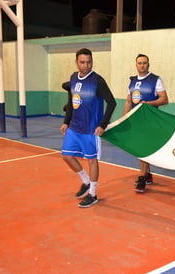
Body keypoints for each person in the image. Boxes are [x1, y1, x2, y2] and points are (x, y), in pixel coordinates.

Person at [60, 48, 116, 208]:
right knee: (66, 156)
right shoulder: (73, 78)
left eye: (89, 62)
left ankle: (93, 194)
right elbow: (71, 101)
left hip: (90, 130)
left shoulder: (97, 81)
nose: (86, 65)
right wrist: (66, 121)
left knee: (92, 161)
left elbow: (112, 103)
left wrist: (102, 125)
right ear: (76, 62)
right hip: (74, 128)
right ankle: (85, 181)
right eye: (82, 62)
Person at [122, 54, 169, 193]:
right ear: (136, 65)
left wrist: (148, 104)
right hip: (136, 121)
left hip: (150, 121)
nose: (142, 65)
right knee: (140, 149)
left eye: (145, 63)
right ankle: (148, 175)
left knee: (143, 149)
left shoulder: (155, 80)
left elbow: (164, 99)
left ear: (148, 64)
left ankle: (142, 178)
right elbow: (129, 101)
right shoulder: (132, 81)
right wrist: (124, 118)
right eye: (139, 63)